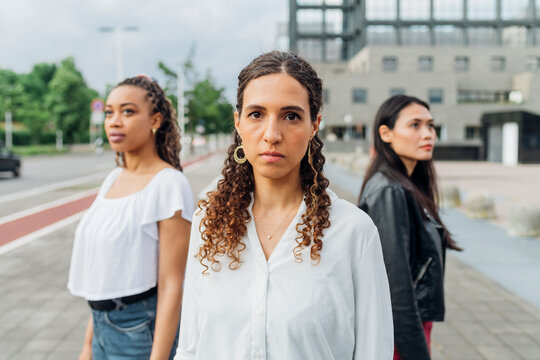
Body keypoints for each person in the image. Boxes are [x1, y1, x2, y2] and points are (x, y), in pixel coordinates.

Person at [175, 51, 393, 359]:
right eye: (256, 114)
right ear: (237, 123)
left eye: (291, 116)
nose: (272, 135)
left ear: (314, 124)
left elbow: (374, 350)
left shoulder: (353, 232)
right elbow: (189, 347)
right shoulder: (209, 222)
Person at [68, 75, 194, 360]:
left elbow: (173, 283)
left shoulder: (169, 185)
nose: (114, 121)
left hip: (139, 330)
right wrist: (88, 345)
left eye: (128, 111)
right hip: (101, 324)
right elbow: (107, 274)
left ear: (155, 120)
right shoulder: (113, 178)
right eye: (109, 112)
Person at [358, 95, 462, 360]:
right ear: (386, 133)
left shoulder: (404, 183)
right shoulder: (389, 191)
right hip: (399, 330)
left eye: (430, 125)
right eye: (415, 125)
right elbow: (396, 283)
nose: (427, 134)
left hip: (408, 325)